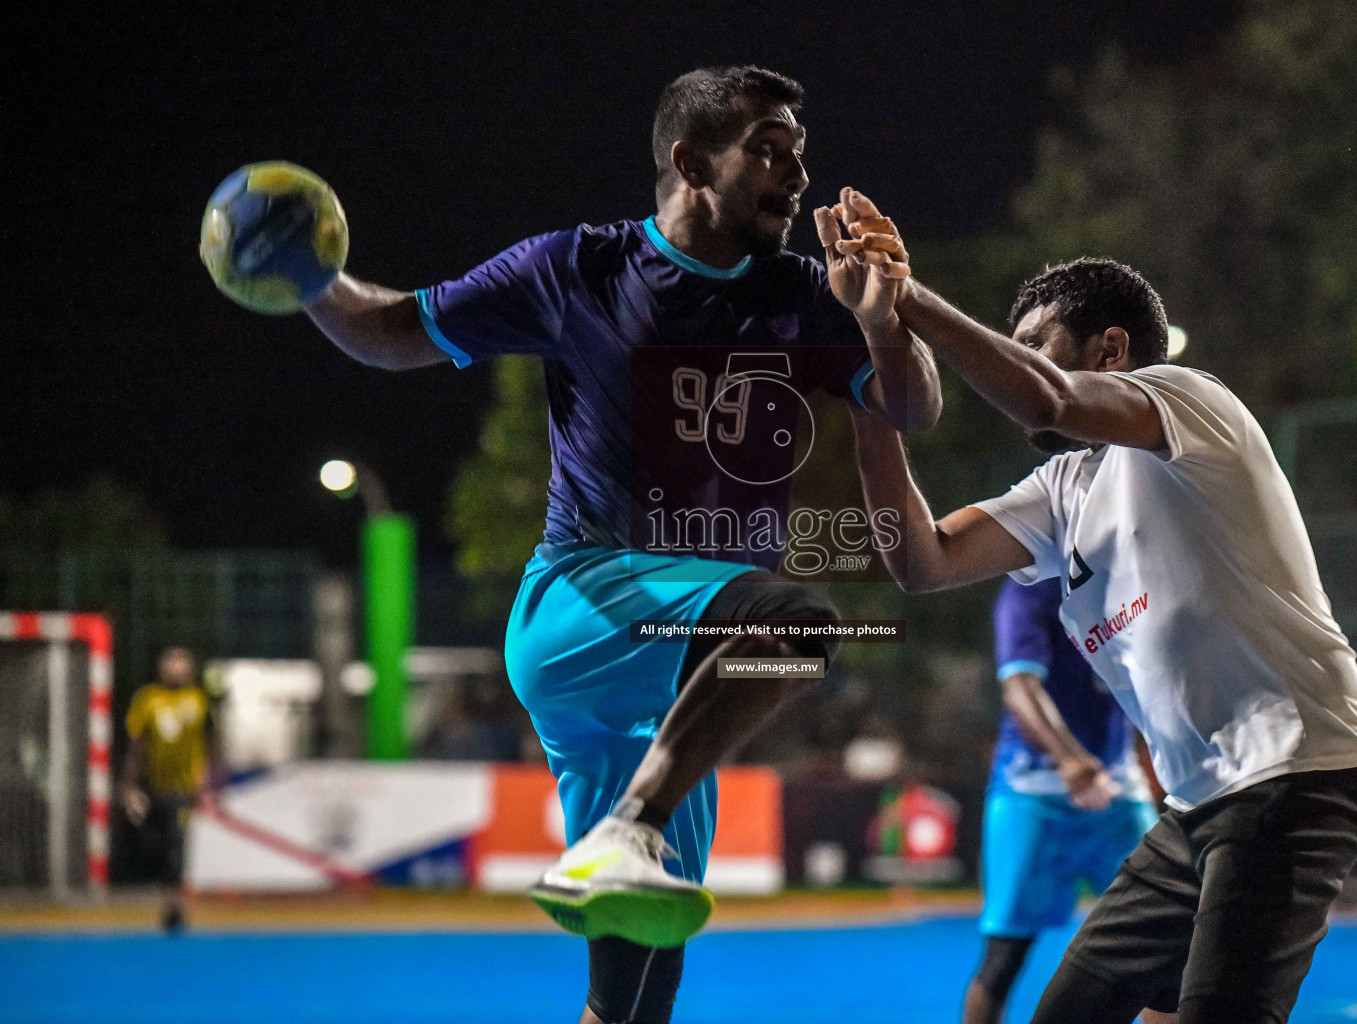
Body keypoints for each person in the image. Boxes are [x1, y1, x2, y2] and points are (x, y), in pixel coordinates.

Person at [301, 66, 940, 1024]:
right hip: (586, 604)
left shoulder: (804, 294)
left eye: (800, 155)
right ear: (690, 163)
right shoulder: (578, 269)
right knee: (798, 622)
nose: (796, 177)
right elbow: (397, 332)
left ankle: (626, 840)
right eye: (769, 152)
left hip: (676, 673)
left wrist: (882, 317)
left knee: (645, 968)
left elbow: (912, 404)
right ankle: (634, 821)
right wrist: (312, 280)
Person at [826, 215, 1357, 1022]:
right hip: (1198, 805)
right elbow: (920, 561)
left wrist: (905, 295)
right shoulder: (1062, 488)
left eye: (1035, 339)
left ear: (1111, 351)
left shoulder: (1187, 401)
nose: (1018, 357)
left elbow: (1043, 392)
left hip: (1297, 770)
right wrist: (873, 365)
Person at [963, 578, 1163, 1024]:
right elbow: (1019, 686)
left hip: (1119, 793)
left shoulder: (1130, 582)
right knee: (1005, 956)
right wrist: (1071, 760)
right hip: (1031, 792)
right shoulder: (1031, 590)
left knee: (1167, 941)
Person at [119, 646, 220, 932]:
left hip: (185, 788)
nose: (175, 666)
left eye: (181, 661)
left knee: (177, 845)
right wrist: (129, 785)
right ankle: (168, 897)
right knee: (154, 846)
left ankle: (174, 905)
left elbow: (212, 740)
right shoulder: (147, 699)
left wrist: (211, 780)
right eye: (170, 660)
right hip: (153, 787)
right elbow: (137, 745)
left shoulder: (199, 699)